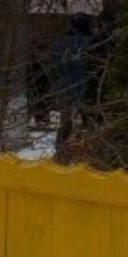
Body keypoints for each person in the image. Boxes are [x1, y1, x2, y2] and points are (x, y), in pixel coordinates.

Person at [48, 13, 93, 156]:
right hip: (87, 89)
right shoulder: (92, 43)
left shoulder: (59, 44)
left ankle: (61, 152)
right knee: (90, 123)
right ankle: (91, 152)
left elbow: (52, 66)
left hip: (65, 88)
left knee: (66, 123)